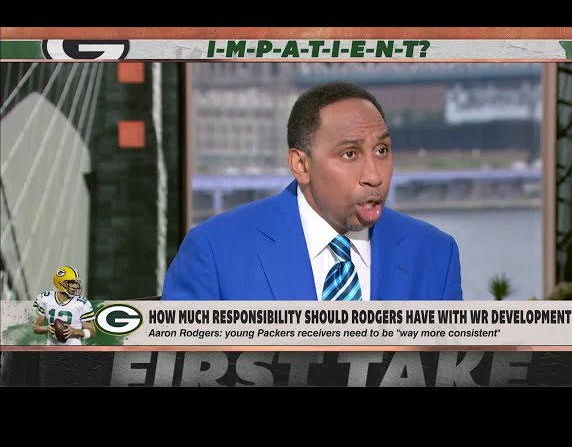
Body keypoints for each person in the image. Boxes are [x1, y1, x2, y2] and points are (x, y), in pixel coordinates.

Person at [162, 81, 462, 300]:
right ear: (301, 165)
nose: (374, 175)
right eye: (350, 154)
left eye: (381, 150)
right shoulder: (215, 251)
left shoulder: (435, 252)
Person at [33, 266, 96, 345]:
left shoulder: (82, 303)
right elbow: (36, 328)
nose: (75, 286)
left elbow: (92, 333)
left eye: (76, 283)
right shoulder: (45, 299)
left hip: (73, 349)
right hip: (51, 347)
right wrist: (46, 328)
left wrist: (75, 331)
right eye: (72, 283)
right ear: (60, 283)